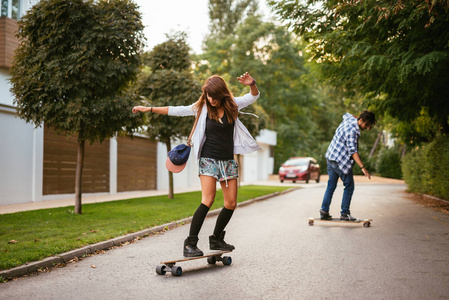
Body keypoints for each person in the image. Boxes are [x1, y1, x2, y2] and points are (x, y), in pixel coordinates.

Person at [132, 72, 260, 257]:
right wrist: (149, 109)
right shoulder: (202, 108)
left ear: (222, 94)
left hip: (228, 161)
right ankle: (189, 244)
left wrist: (252, 83)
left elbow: (253, 96)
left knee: (231, 203)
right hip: (208, 159)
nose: (212, 99)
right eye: (209, 95)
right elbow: (176, 109)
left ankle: (216, 239)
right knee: (207, 200)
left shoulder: (232, 104)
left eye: (215, 96)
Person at [319, 111, 376, 221]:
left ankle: (324, 211)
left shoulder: (349, 119)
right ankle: (344, 214)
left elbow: (346, 113)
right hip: (340, 161)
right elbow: (353, 151)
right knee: (349, 186)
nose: (367, 128)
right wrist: (363, 167)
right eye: (367, 125)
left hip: (331, 157)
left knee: (331, 185)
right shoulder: (352, 131)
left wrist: (359, 117)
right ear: (360, 121)